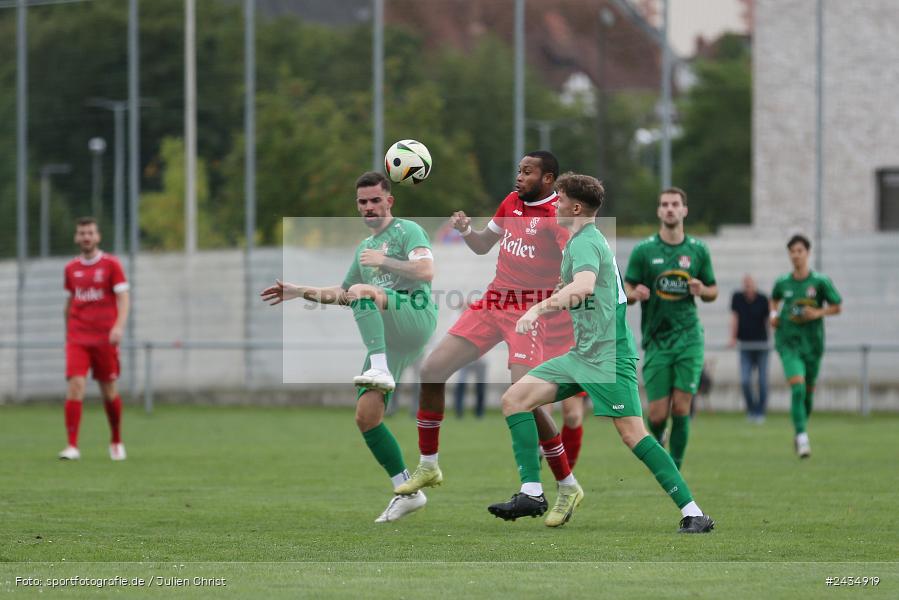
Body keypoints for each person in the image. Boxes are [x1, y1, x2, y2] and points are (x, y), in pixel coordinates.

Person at [487, 173, 714, 533]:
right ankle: (531, 491)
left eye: (558, 199)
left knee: (634, 435)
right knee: (515, 399)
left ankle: (693, 512)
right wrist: (565, 288)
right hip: (581, 356)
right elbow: (585, 287)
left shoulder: (584, 242)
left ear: (575, 207)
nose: (554, 205)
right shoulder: (581, 242)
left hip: (608, 358)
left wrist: (539, 309)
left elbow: (585, 285)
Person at [396, 151, 585, 528]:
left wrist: (568, 282)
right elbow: (484, 245)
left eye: (527, 172)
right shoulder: (511, 203)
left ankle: (563, 484)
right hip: (493, 302)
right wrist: (467, 230)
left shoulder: (556, 217)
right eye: (518, 170)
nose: (519, 177)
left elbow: (574, 260)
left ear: (548, 178)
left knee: (525, 398)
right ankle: (429, 465)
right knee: (432, 370)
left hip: (529, 313)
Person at [261, 171, 437, 522]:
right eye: (362, 202)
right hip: (390, 337)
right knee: (366, 417)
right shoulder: (362, 250)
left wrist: (383, 262)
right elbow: (345, 294)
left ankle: (380, 367)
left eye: (375, 200)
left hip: (415, 315)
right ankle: (407, 491)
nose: (369, 207)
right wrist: (299, 291)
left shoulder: (408, 230)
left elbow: (426, 271)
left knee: (365, 293)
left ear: (390, 200)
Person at [624, 188, 717, 470]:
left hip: (689, 337)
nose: (670, 209)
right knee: (656, 414)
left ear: (684, 210)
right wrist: (634, 293)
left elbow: (713, 291)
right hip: (656, 340)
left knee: (681, 407)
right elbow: (625, 290)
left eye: (675, 204)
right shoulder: (643, 251)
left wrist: (703, 290)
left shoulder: (698, 250)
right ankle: (660, 432)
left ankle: (674, 467)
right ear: (658, 211)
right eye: (664, 204)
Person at [59, 217, 130, 461]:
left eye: (90, 232)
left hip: (104, 338)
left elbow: (124, 299)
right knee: (75, 385)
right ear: (76, 238)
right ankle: (72, 445)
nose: (86, 237)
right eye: (82, 233)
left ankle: (116, 439)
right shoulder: (70, 269)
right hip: (78, 337)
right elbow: (69, 303)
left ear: (97, 236)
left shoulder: (111, 264)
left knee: (108, 390)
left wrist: (118, 326)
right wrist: (68, 332)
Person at [770, 234, 841, 459]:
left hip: (813, 344)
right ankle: (802, 437)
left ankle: (800, 428)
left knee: (808, 394)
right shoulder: (783, 282)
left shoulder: (819, 282)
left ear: (807, 253)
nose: (796, 255)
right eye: (792, 251)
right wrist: (773, 314)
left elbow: (837, 306)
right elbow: (774, 299)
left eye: (799, 251)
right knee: (798, 387)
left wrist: (818, 312)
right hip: (788, 343)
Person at [729, 274, 770, 423]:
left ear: (755, 285)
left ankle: (760, 412)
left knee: (762, 381)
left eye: (750, 284)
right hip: (745, 345)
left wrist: (773, 339)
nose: (748, 287)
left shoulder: (763, 299)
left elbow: (769, 320)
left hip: (761, 346)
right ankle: (751, 409)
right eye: (745, 284)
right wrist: (732, 337)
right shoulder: (737, 298)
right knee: (745, 380)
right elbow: (735, 317)